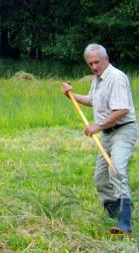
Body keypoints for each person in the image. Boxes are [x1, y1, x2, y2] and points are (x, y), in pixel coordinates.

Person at [61, 43, 138, 236]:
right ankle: (115, 216)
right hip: (107, 133)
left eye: (97, 62)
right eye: (90, 64)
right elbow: (91, 100)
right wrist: (71, 95)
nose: (94, 67)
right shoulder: (97, 79)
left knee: (116, 170)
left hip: (123, 130)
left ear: (106, 59)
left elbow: (122, 109)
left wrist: (98, 125)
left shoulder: (116, 78)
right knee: (101, 179)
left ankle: (125, 223)